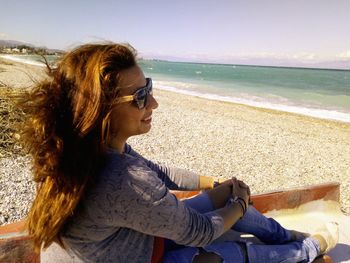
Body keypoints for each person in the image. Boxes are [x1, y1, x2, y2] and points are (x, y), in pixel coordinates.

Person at [20, 43, 338, 263]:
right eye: (141, 97)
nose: (154, 103)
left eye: (151, 88)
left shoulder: (78, 150)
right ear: (101, 111)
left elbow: (160, 173)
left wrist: (215, 184)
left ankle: (283, 235)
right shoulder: (123, 180)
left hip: (128, 242)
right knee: (230, 255)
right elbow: (198, 232)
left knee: (224, 197)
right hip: (136, 255)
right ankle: (305, 249)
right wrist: (240, 205)